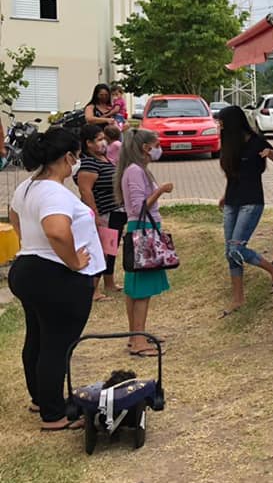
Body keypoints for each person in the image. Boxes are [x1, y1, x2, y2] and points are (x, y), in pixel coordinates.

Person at [8, 128, 106, 430]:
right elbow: (56, 230)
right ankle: (53, 413)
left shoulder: (27, 186)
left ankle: (41, 398)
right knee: (57, 344)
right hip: (53, 275)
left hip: (29, 268)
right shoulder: (54, 191)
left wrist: (30, 245)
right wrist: (75, 261)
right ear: (68, 157)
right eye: (76, 156)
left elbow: (14, 217)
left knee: (37, 338)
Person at [217, 106, 273, 316]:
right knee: (229, 252)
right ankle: (238, 298)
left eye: (221, 122)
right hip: (232, 202)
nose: (219, 126)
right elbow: (231, 174)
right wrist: (225, 195)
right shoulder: (229, 142)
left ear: (232, 122)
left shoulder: (257, 141)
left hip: (251, 201)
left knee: (236, 248)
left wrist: (272, 156)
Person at [115, 128, 173, 357]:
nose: (158, 149)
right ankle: (139, 341)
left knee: (135, 287)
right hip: (144, 230)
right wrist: (160, 191)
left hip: (140, 228)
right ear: (145, 148)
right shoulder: (136, 172)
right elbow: (140, 207)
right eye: (155, 145)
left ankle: (136, 335)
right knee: (141, 289)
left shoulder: (133, 170)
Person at [75, 124, 126, 301]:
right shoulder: (89, 163)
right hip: (104, 213)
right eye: (99, 139)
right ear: (88, 143)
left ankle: (109, 282)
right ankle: (93, 290)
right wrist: (95, 215)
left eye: (104, 138)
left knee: (111, 249)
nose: (104, 142)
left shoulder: (105, 159)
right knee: (101, 250)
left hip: (116, 210)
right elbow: (86, 191)